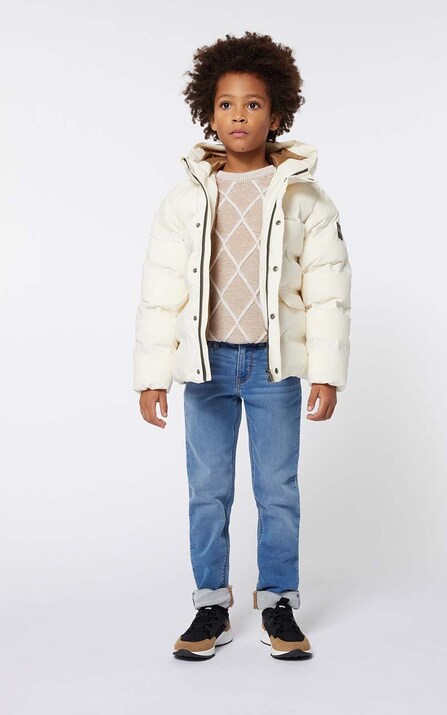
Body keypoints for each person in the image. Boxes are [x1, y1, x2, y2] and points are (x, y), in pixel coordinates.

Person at [133, 31, 352, 661]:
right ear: (209, 112)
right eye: (226, 104)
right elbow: (162, 292)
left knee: (277, 489)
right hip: (206, 365)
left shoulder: (304, 198)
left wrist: (326, 372)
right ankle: (211, 603)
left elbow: (328, 289)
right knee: (208, 490)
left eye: (253, 104)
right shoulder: (185, 199)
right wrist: (152, 375)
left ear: (276, 114)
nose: (238, 115)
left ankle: (279, 601)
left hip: (273, 368)